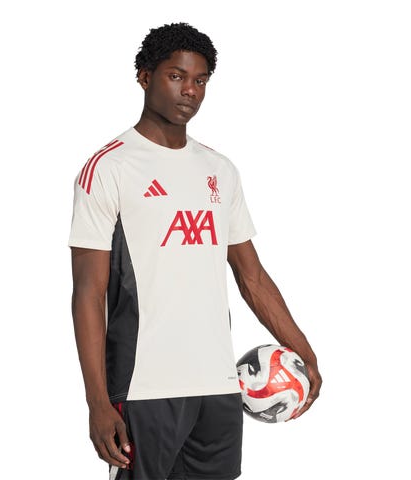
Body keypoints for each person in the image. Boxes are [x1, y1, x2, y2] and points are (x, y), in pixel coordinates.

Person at [68, 22, 322, 480]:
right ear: (145, 76)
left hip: (219, 385)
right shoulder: (109, 168)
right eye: (176, 76)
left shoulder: (220, 170)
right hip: (143, 387)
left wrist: (305, 351)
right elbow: (88, 292)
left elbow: (252, 278)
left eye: (201, 80)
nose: (190, 90)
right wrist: (97, 402)